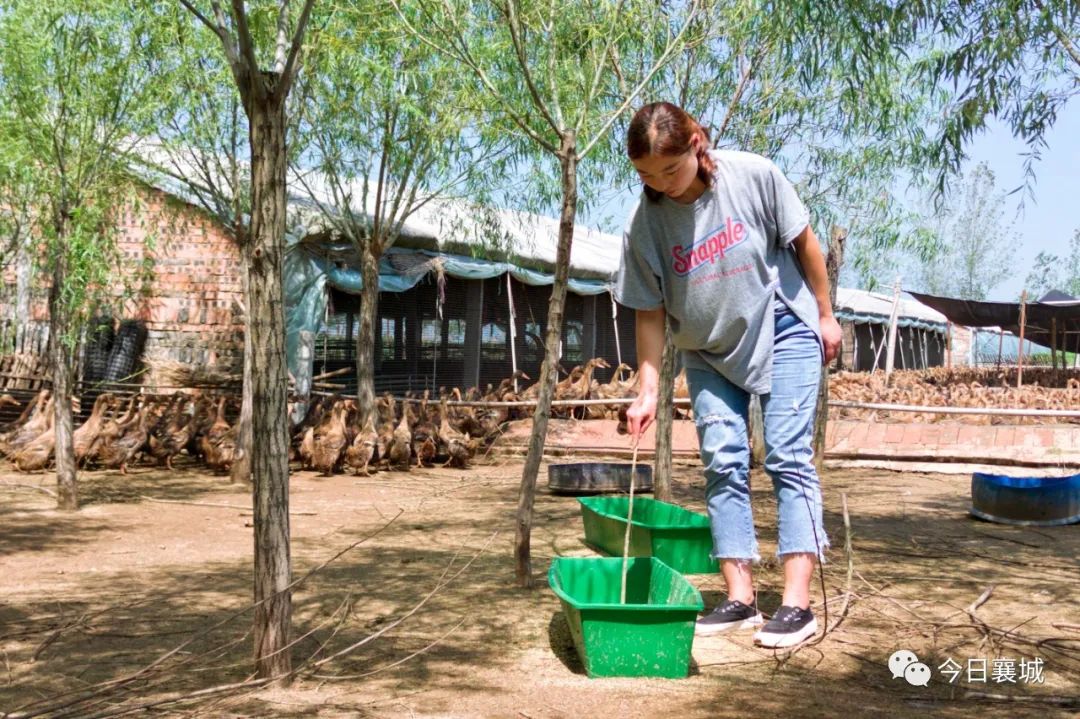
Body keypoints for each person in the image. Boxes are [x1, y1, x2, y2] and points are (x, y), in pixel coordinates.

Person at [615, 102, 842, 649]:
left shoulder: (753, 177)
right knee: (722, 460)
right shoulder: (644, 224)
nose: (661, 184)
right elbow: (648, 311)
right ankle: (740, 598)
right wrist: (649, 390)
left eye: (670, 170)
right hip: (707, 349)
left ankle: (796, 605)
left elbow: (805, 242)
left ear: (697, 142)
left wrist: (826, 313)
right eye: (646, 175)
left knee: (787, 454)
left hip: (782, 322)